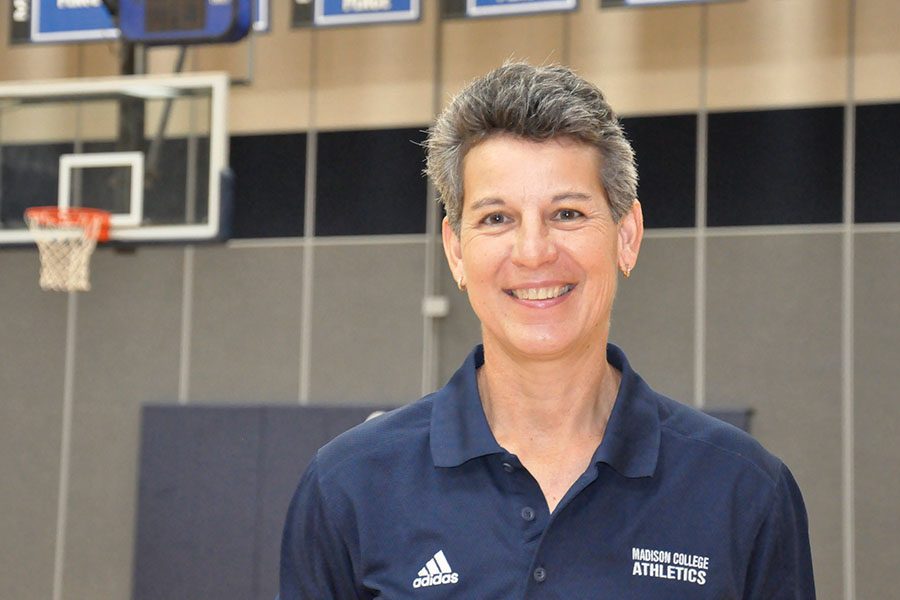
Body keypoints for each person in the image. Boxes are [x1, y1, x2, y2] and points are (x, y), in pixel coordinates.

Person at [279, 62, 815, 599]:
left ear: (626, 237)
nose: (534, 252)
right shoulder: (349, 485)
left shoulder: (742, 490)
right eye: (496, 218)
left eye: (567, 213)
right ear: (456, 251)